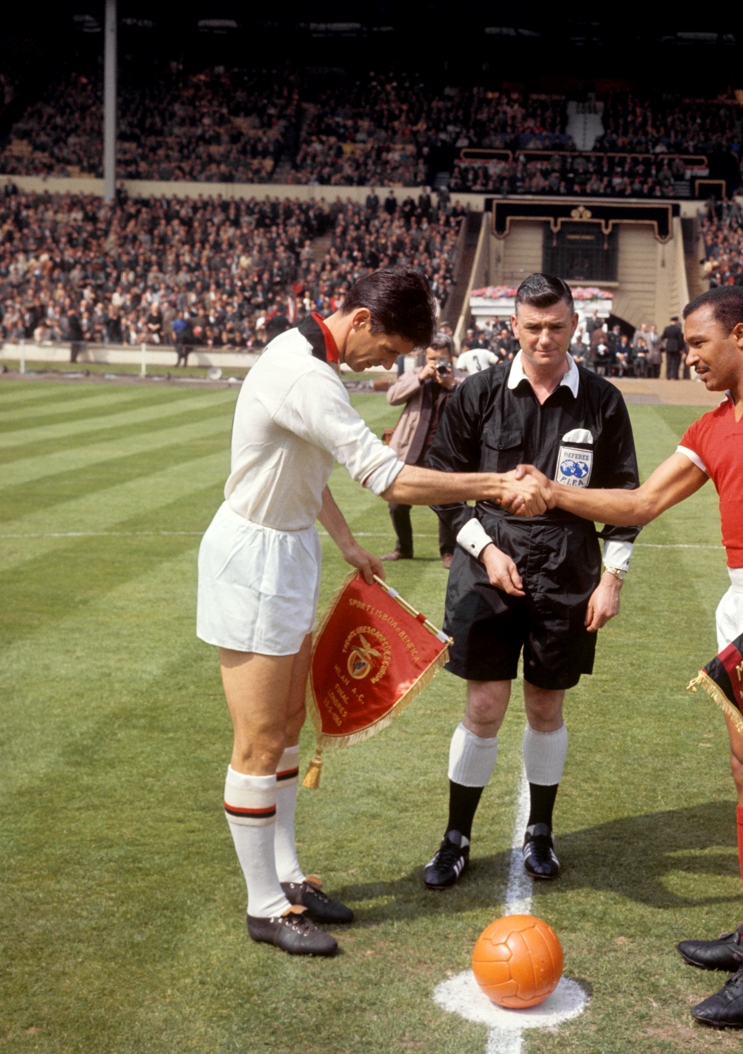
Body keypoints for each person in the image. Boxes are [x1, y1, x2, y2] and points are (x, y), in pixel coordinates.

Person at [518, 286, 743, 1028]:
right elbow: (639, 504)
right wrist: (556, 493)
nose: (688, 358)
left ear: (742, 335)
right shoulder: (715, 425)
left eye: (698, 344)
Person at [196, 267, 549, 959]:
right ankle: (264, 905)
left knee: (291, 725)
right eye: (389, 349)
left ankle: (289, 876)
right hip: (254, 560)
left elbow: (304, 465)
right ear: (359, 318)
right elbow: (385, 474)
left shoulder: (311, 361)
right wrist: (493, 485)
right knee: (260, 739)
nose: (388, 364)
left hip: (289, 548)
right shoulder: (307, 374)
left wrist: (349, 542)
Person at [419, 273, 641, 891]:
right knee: (484, 706)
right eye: (533, 326)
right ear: (512, 327)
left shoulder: (602, 400)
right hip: (486, 566)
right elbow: (442, 485)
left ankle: (540, 830)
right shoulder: (479, 392)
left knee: (546, 705)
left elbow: (628, 497)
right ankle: (456, 836)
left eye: (557, 325)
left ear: (575, 325)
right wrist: (486, 551)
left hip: (569, 568)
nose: (545, 337)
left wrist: (613, 578)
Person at [382, 332, 462, 567]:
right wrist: (420, 378)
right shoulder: (414, 375)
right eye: (432, 359)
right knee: (397, 502)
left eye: (442, 360)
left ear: (452, 357)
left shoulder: (464, 380)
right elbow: (392, 397)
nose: (437, 365)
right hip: (412, 448)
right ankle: (404, 548)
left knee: (447, 502)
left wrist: (452, 385)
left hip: (446, 450)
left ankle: (449, 552)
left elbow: (476, 405)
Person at [662, 315, 684, 379]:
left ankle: (668, 376)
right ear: (676, 321)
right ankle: (675, 376)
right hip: (676, 347)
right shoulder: (678, 329)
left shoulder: (667, 328)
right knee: (676, 362)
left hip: (668, 347)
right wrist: (681, 348)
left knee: (668, 362)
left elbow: (663, 337)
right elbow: (680, 340)